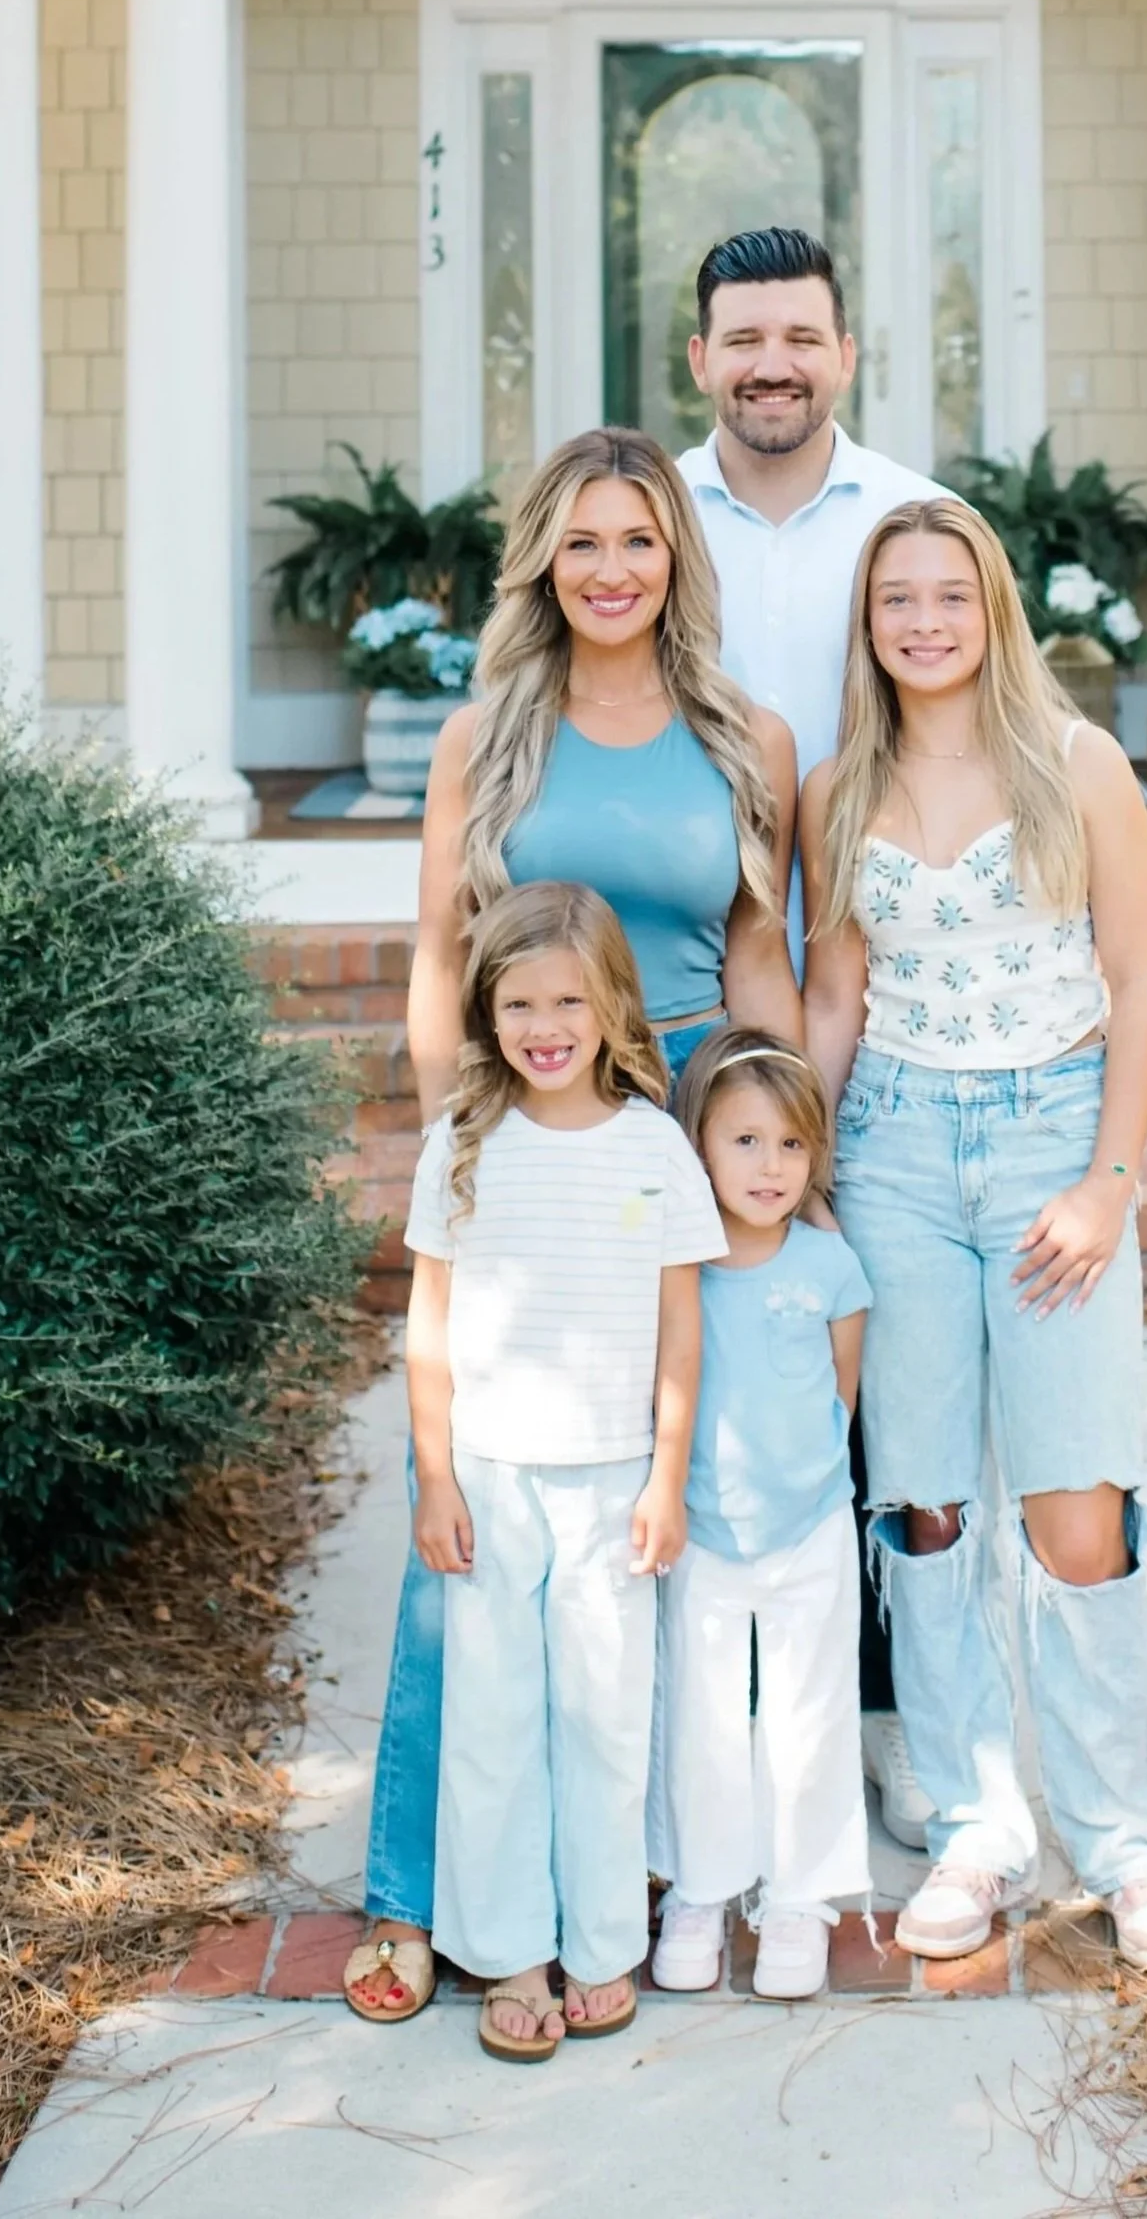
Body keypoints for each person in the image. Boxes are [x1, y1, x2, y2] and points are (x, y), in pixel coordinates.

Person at [346, 427, 798, 2021]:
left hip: (680, 1125)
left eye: (641, 540)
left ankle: (652, 1867)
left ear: (679, 557)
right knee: (464, 1518)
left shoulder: (749, 735)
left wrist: (772, 1132)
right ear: (543, 560)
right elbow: (436, 943)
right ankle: (416, 1893)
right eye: (583, 543)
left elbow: (756, 961)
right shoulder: (490, 737)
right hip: (521, 1123)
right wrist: (453, 1126)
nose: (612, 570)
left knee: (672, 1505)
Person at [800, 497, 1147, 1974]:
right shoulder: (836, 783)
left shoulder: (1076, 765)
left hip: (1049, 1139)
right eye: (894, 598)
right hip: (894, 1149)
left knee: (1073, 1508)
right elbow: (834, 994)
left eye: (947, 595)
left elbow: (1140, 975)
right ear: (870, 621)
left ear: (991, 610)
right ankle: (975, 1821)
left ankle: (1124, 1836)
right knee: (920, 1502)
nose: (922, 620)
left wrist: (1108, 1178)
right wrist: (815, 1170)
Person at [677, 225, 944, 1849]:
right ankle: (710, 1707)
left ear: (844, 351)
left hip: (880, 991)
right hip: (692, 996)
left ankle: (880, 1716)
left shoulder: (908, 520)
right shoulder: (648, 524)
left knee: (876, 1370)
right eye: (742, 338)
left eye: (800, 336)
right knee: (708, 1350)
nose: (771, 362)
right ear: (697, 354)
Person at [401, 881, 726, 2061]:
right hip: (490, 1475)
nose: (544, 1024)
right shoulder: (464, 1146)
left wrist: (665, 1476)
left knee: (598, 1714)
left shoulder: (652, 1146)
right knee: (492, 1719)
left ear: (610, 1008)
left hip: (609, 1480)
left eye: (567, 1001)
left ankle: (598, 1942)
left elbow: (678, 1327)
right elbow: (428, 1327)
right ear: (488, 1014)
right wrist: (435, 1476)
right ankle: (508, 1951)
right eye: (518, 1001)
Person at [649, 1029, 874, 2002]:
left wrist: (810, 1493)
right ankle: (699, 1886)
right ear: (695, 1144)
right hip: (698, 1525)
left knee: (806, 1713)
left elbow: (841, 1393)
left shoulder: (829, 1268)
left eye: (789, 1143)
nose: (769, 1165)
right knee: (697, 1710)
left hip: (808, 1523)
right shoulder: (677, 1268)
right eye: (742, 1141)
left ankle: (798, 1895)